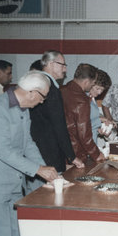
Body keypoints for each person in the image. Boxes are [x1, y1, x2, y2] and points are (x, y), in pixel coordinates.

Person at [0, 71, 59, 236]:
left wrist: (44, 168)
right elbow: (3, 151)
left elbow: (28, 144)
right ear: (32, 92)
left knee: (17, 235)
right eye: (43, 97)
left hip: (14, 183)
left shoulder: (22, 109)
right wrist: (38, 169)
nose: (42, 101)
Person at [30, 50, 84, 179]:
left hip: (35, 151)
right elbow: (59, 125)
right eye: (62, 65)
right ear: (50, 63)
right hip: (48, 153)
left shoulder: (36, 82)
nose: (65, 69)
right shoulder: (50, 88)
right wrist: (71, 156)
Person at [61, 64, 106, 163]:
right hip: (77, 152)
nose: (92, 86)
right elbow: (83, 133)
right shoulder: (82, 100)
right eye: (93, 83)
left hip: (62, 149)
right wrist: (97, 154)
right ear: (86, 82)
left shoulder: (62, 90)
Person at [88, 69, 112, 144]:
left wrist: (99, 129)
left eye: (102, 90)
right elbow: (80, 124)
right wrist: (100, 120)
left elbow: (91, 121)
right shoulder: (82, 99)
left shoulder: (92, 99)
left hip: (92, 142)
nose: (99, 92)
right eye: (97, 88)